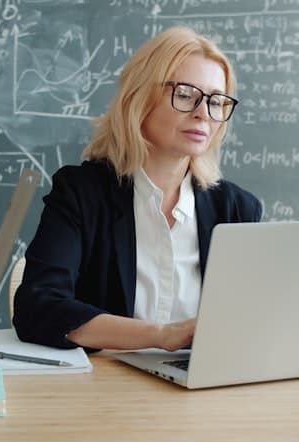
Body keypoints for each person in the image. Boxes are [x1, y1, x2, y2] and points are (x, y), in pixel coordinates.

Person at [13, 26, 262, 351]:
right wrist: (161, 335)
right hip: (105, 390)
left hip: (201, 390)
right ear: (140, 98)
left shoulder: (237, 209)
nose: (204, 113)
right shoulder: (81, 193)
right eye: (185, 94)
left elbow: (250, 322)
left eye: (216, 101)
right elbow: (38, 307)